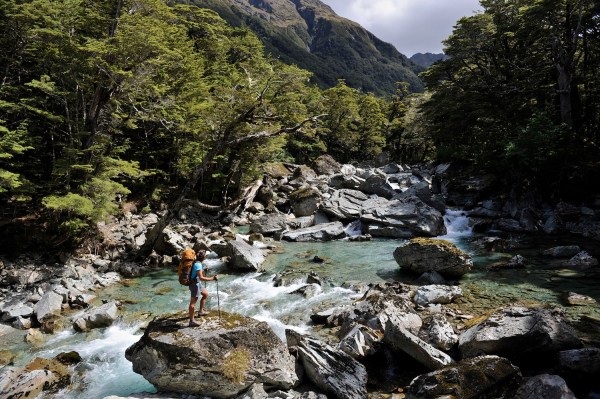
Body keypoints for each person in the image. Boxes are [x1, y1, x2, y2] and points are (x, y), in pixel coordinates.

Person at [188, 250, 219, 327]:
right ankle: (191, 321)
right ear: (204, 257)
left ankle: (201, 312)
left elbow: (197, 273)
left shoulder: (196, 262)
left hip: (197, 283)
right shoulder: (198, 265)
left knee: (205, 294)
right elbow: (201, 277)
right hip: (194, 284)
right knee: (192, 303)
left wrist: (203, 270)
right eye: (206, 256)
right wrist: (212, 278)